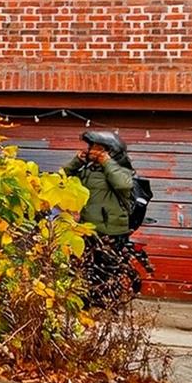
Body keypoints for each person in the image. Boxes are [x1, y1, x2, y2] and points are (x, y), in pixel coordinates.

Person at [64, 129, 138, 301]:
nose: (90, 151)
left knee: (106, 269)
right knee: (85, 267)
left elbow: (123, 185)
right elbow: (60, 179)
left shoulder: (122, 169)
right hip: (88, 228)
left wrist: (107, 163)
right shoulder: (88, 170)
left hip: (110, 229)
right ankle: (88, 300)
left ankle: (107, 302)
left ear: (109, 150)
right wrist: (76, 163)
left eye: (96, 148)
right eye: (91, 147)